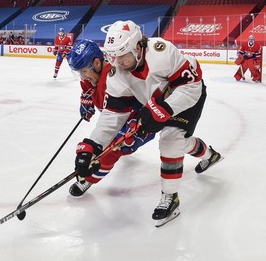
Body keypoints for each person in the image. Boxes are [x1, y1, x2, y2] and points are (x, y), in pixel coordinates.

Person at [73, 20, 223, 227]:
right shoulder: (118, 70)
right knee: (181, 142)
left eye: (122, 55)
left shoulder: (161, 52)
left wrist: (165, 109)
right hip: (156, 105)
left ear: (137, 47)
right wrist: (92, 144)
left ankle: (171, 198)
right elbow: (113, 114)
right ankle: (210, 155)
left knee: (171, 141)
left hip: (188, 96)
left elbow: (192, 86)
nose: (117, 62)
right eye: (113, 55)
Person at [67, 39, 155, 196]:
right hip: (118, 119)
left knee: (178, 140)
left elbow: (145, 98)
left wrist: (138, 122)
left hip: (141, 121)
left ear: (96, 63)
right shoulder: (93, 76)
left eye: (84, 71)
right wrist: (86, 100)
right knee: (107, 145)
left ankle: (90, 179)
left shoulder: (115, 76)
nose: (82, 76)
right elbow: (87, 86)